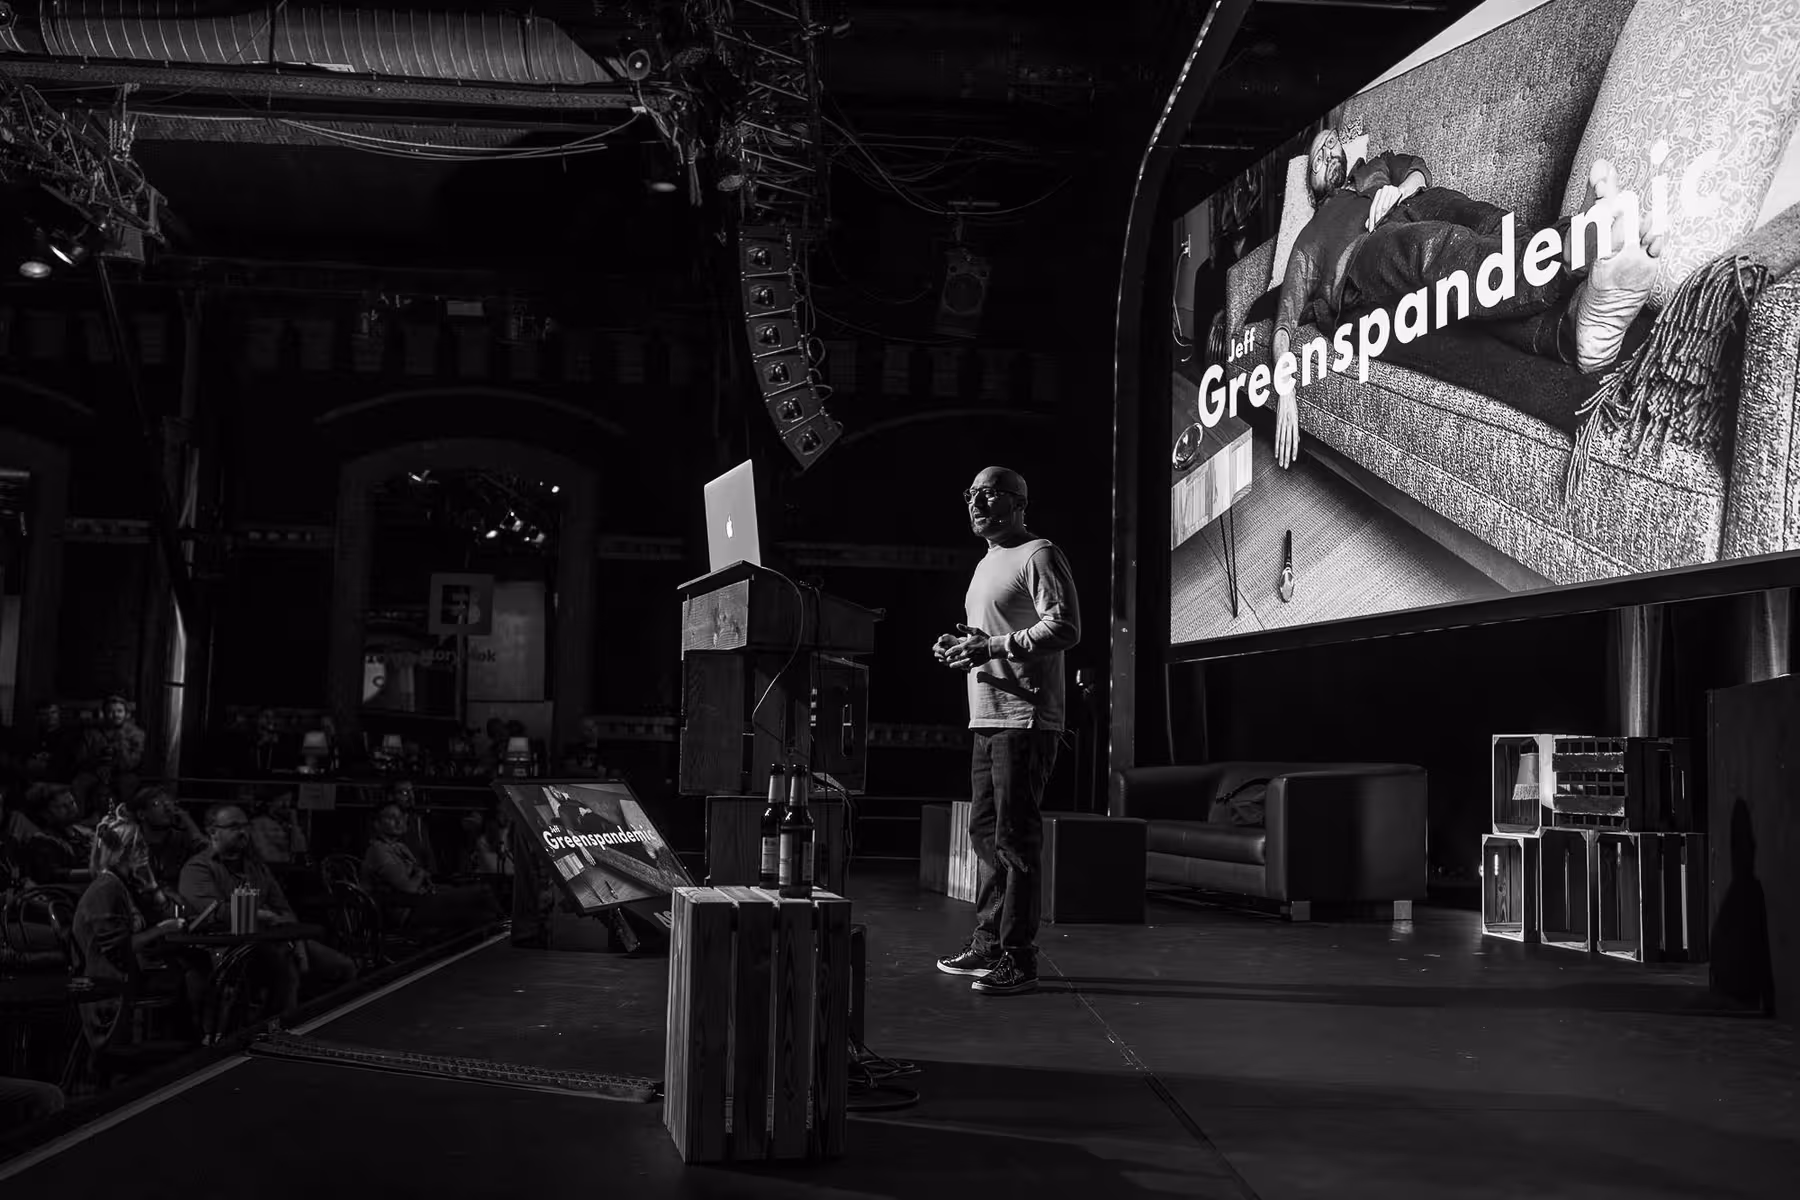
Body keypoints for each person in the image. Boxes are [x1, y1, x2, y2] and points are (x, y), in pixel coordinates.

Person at [1269, 130, 1666, 468]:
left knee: (1496, 225)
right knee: (1433, 248)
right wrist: (1285, 391)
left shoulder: (1374, 166)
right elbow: (1284, 321)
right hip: (1366, 252)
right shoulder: (1310, 237)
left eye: (1331, 143)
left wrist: (1398, 190)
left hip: (1417, 201)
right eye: (1317, 158)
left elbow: (1418, 168)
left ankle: (1574, 316)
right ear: (1312, 185)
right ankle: (1570, 253)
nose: (1327, 153)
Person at [931, 466, 1080, 997]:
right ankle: (989, 942)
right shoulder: (986, 562)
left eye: (989, 494)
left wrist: (991, 646)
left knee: (1015, 840)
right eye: (970, 494)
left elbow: (1064, 626)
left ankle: (1020, 956)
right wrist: (963, 645)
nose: (975, 503)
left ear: (1018, 503)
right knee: (986, 835)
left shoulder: (1038, 553)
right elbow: (992, 635)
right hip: (988, 716)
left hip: (1025, 719)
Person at [179, 804, 356, 1014]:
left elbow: (283, 909)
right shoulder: (198, 868)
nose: (243, 832)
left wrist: (297, 942)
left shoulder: (256, 867)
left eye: (245, 826)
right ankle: (277, 1029)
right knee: (285, 971)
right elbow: (215, 913)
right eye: (234, 826)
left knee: (344, 967)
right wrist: (262, 915)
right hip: (229, 948)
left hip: (275, 939)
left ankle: (318, 1023)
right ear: (212, 831)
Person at [72, 812, 208, 1047]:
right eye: (138, 846)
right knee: (189, 971)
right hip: (108, 980)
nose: (145, 850)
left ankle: (196, 1039)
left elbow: (169, 911)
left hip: (127, 969)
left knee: (194, 961)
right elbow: (119, 948)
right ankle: (193, 1042)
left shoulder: (126, 883)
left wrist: (152, 884)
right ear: (122, 851)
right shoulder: (106, 888)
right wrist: (162, 929)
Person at [361, 802, 501, 936]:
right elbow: (409, 888)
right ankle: (506, 932)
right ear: (377, 824)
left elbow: (419, 875)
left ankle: (502, 933)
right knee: (483, 895)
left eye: (401, 816)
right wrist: (420, 874)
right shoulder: (379, 851)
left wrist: (421, 876)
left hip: (423, 899)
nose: (399, 821)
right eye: (391, 817)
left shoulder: (399, 846)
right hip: (407, 911)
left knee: (484, 909)